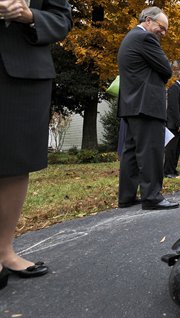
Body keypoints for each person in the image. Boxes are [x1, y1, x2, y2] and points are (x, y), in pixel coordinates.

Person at [0, 0, 72, 288]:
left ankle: (4, 249)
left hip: (25, 72)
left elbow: (62, 18)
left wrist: (30, 16)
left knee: (17, 162)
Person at [117, 7, 179, 210]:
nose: (164, 33)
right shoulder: (145, 39)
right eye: (162, 27)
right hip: (147, 104)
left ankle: (126, 196)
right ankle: (152, 197)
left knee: (132, 151)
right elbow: (166, 69)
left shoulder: (130, 37)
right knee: (150, 150)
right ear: (149, 20)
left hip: (131, 104)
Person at [164, 70, 180, 178]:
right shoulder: (174, 88)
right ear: (177, 77)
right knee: (171, 149)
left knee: (177, 149)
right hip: (174, 125)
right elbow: (173, 107)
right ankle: (168, 172)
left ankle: (173, 170)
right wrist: (179, 123)